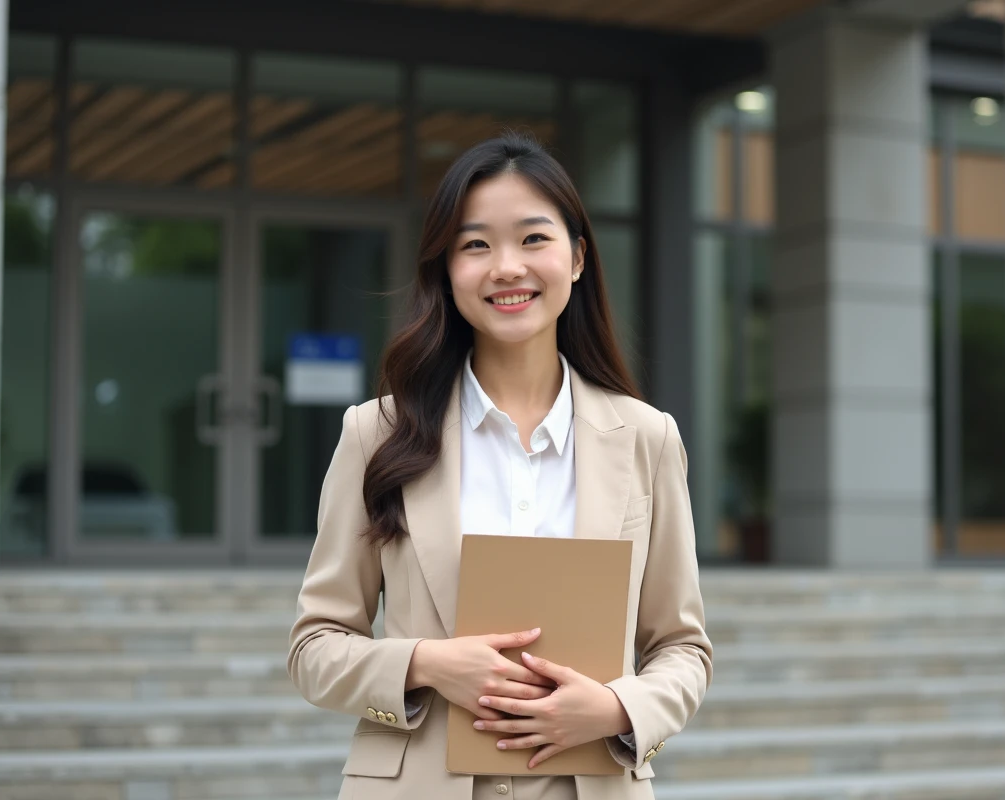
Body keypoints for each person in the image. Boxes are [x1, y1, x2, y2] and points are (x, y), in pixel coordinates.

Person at [287, 133, 712, 800]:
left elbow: (683, 649)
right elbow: (314, 648)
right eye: (476, 244)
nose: (506, 267)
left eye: (533, 239)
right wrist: (426, 665)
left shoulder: (646, 438)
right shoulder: (377, 433)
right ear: (447, 269)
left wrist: (617, 711)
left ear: (575, 259)